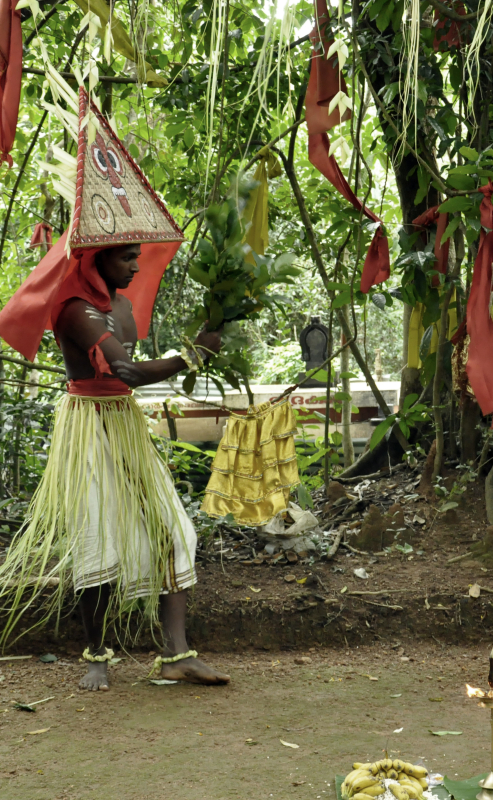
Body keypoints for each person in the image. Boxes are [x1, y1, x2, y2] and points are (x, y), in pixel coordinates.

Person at [0, 85, 229, 690]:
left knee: (173, 530)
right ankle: (96, 654)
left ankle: (176, 655)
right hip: (89, 427)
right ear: (96, 256)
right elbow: (125, 371)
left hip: (125, 423)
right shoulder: (76, 309)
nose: (134, 264)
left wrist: (196, 345)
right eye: (125, 255)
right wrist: (191, 356)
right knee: (97, 540)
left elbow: (133, 371)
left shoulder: (121, 305)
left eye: (136, 254)